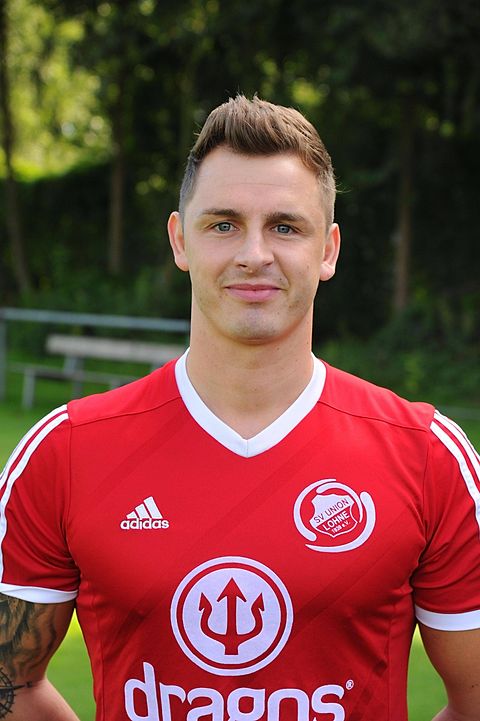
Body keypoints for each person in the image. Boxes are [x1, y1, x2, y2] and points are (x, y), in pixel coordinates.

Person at [0, 95, 479, 721]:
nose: (255, 253)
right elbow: (8, 682)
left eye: (286, 226)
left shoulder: (426, 455)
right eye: (223, 225)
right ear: (180, 240)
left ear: (329, 250)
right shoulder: (66, 452)